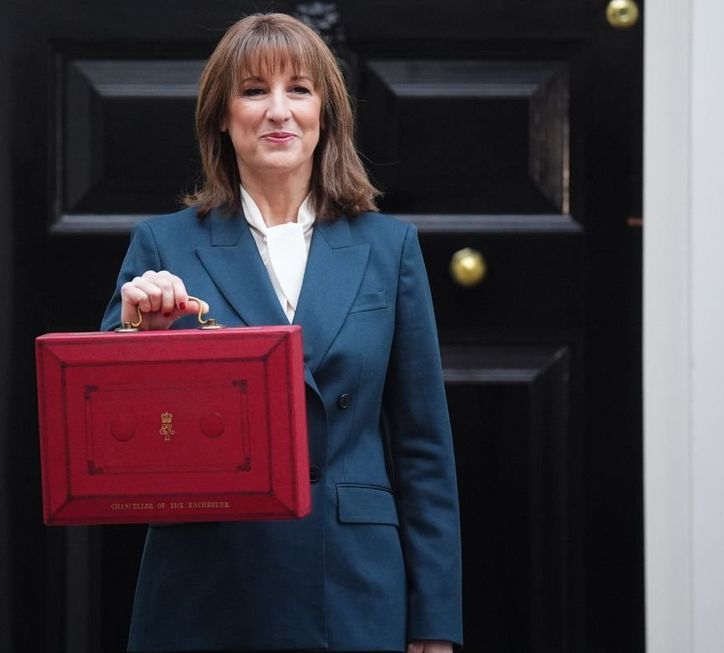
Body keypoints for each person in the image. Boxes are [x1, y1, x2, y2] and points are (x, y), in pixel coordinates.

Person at [101, 13, 462, 653]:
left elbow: (423, 447)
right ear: (221, 115)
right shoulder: (163, 245)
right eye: (253, 90)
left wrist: (434, 618)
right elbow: (109, 437)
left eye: (299, 89)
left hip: (351, 578)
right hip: (208, 582)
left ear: (326, 114)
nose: (278, 111)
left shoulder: (389, 247)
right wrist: (139, 334)